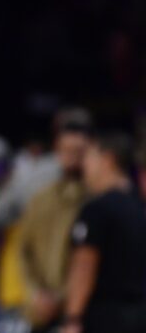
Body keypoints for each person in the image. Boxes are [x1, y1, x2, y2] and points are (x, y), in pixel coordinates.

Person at [63, 131, 146, 333]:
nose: (84, 166)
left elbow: (85, 265)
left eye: (89, 157)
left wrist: (73, 318)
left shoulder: (96, 209)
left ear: (107, 159)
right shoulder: (140, 207)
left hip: (105, 318)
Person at [16, 109, 91, 332]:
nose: (72, 157)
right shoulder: (40, 199)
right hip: (39, 312)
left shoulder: (96, 201)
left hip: (80, 314)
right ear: (57, 150)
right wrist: (34, 294)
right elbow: (23, 251)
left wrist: (61, 298)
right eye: (67, 150)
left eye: (79, 152)